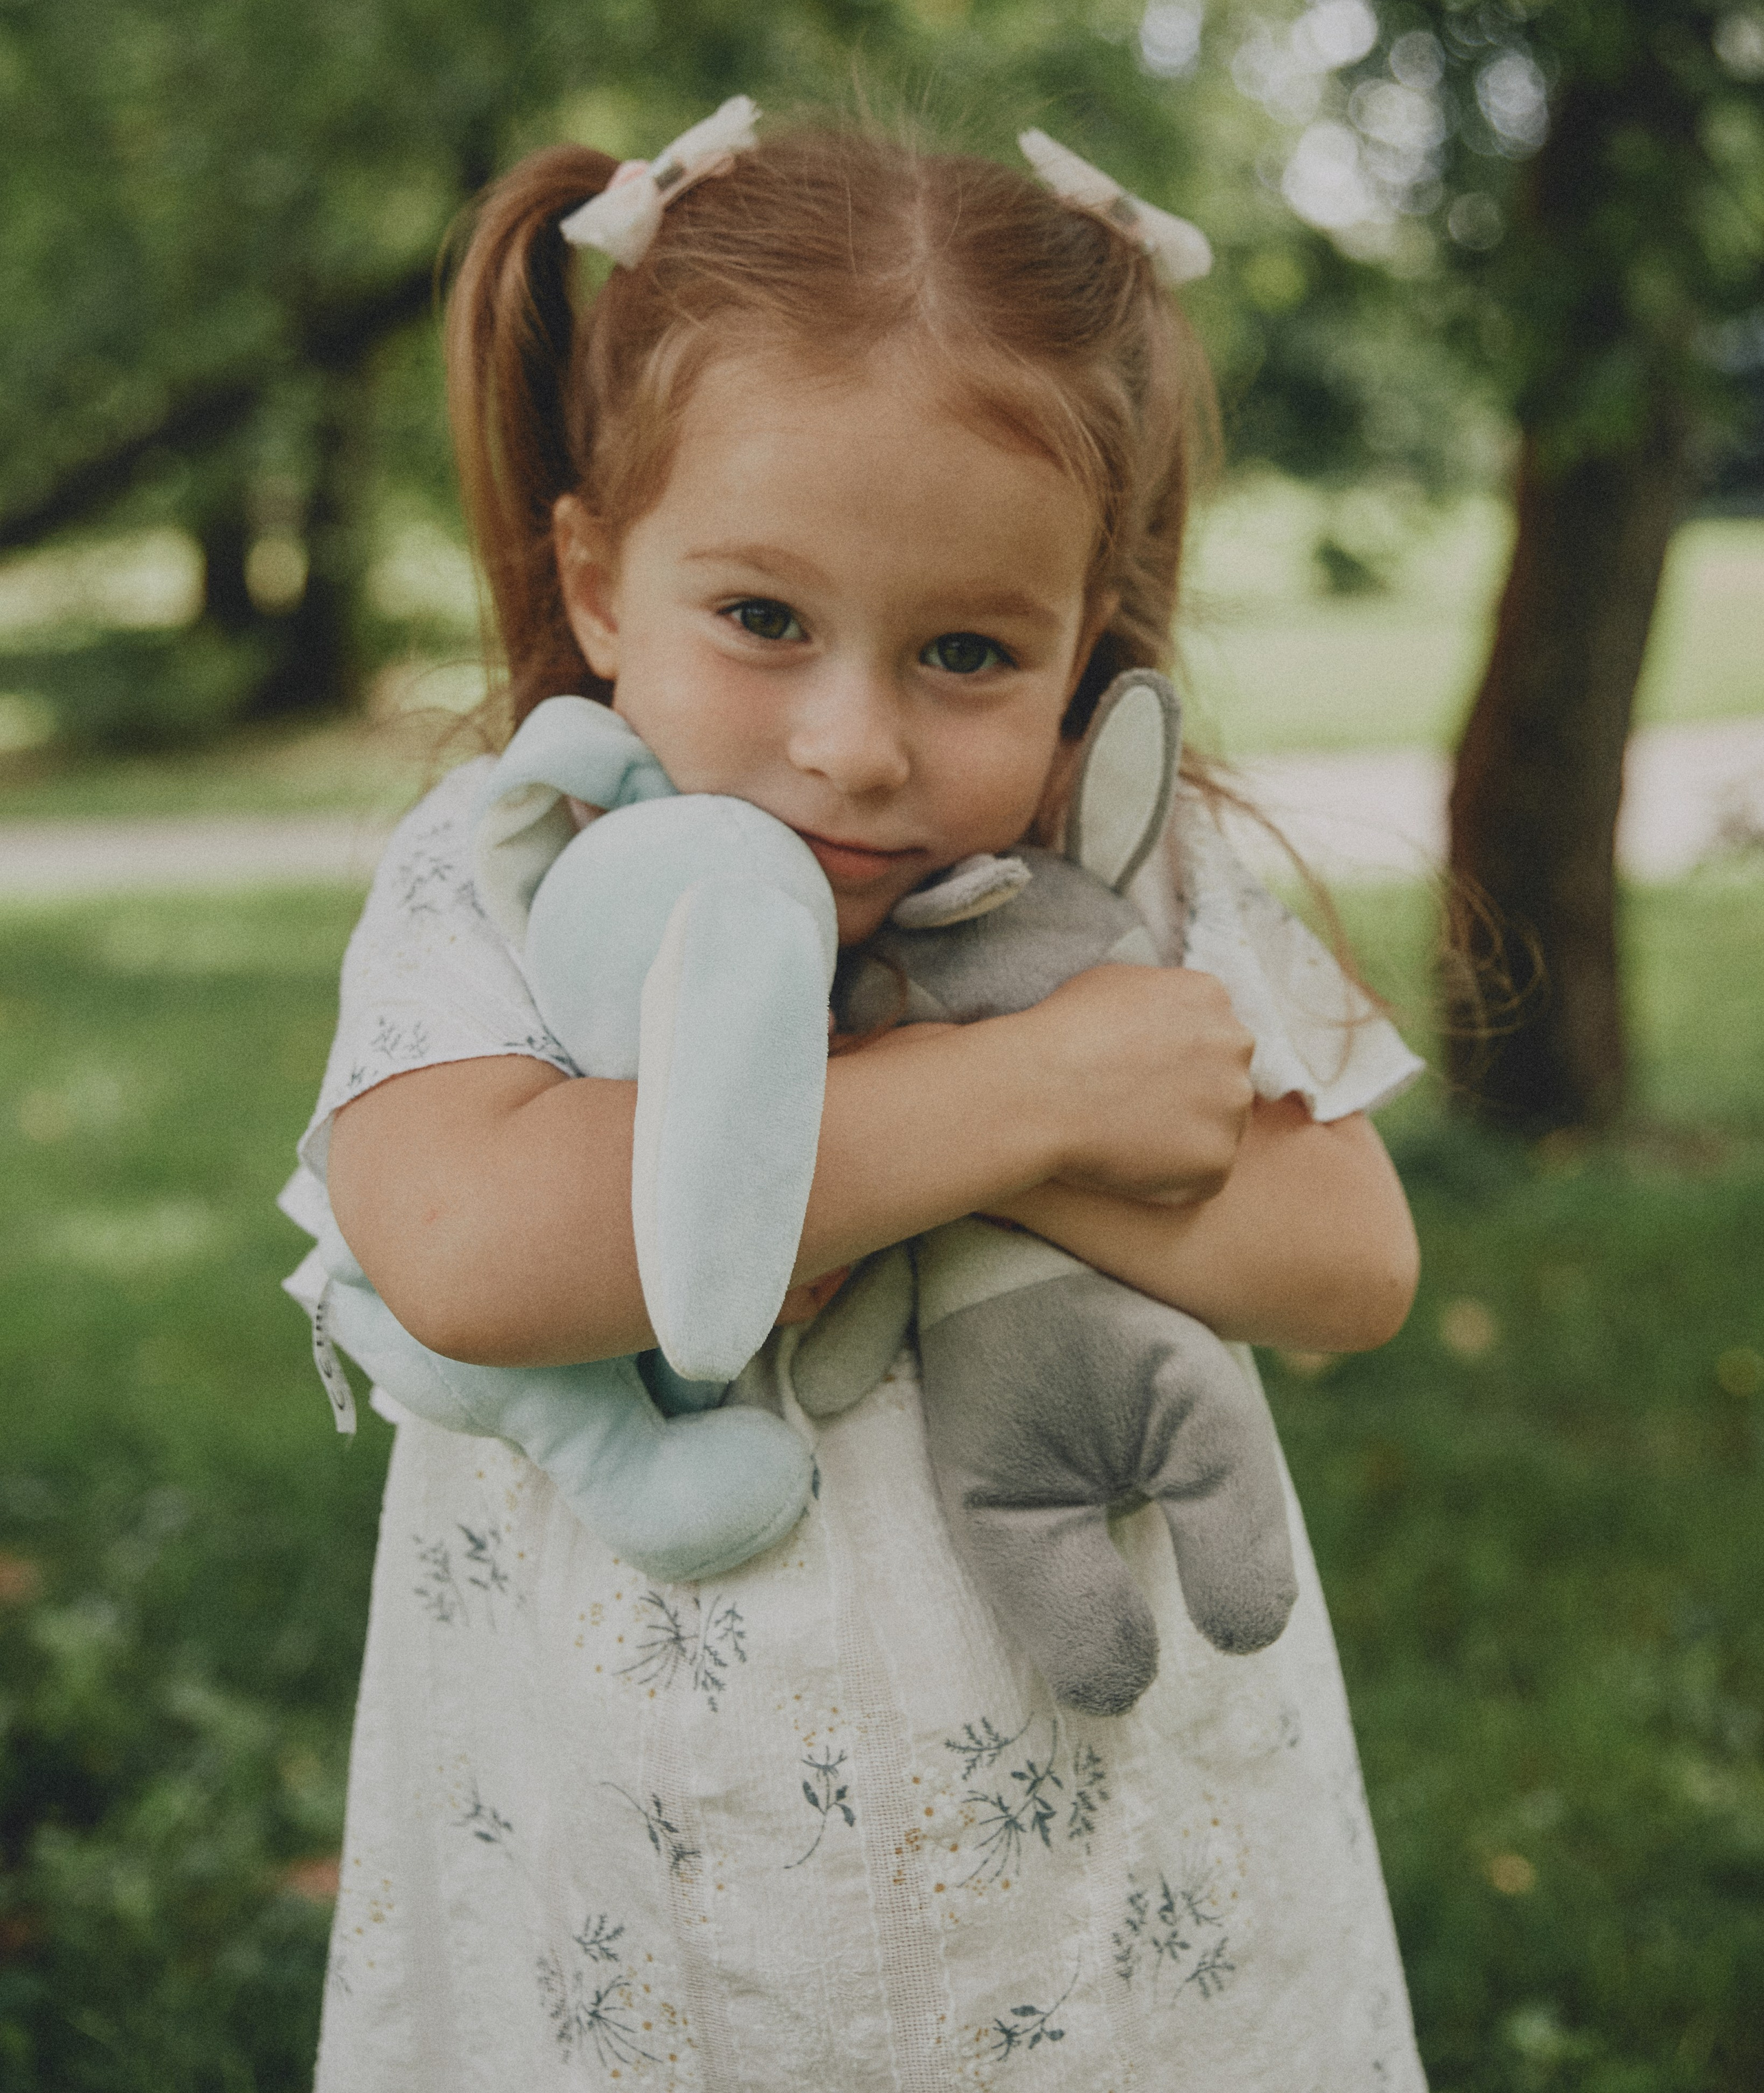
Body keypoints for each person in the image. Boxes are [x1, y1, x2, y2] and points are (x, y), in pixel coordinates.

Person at [280, 104, 1429, 2090]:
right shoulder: (504, 869)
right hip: (647, 1883)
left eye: (969, 652)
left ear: (1086, 654)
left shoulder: (1127, 879)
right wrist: (1015, 1100)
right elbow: (472, 1251)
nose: (853, 746)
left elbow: (1350, 1259)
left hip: (1103, 1860)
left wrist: (1006, 1077)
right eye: (762, 620)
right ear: (598, 579)